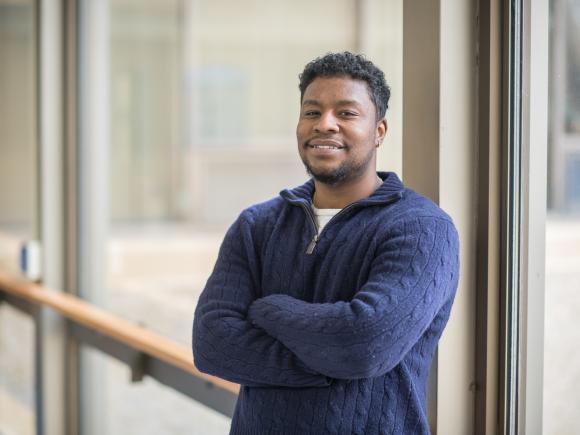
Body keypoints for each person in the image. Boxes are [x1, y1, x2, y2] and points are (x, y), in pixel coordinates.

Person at [192, 51, 460, 435]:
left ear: (379, 131)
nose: (325, 125)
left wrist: (268, 310)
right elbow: (212, 345)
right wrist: (332, 364)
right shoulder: (257, 225)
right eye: (312, 112)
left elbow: (364, 343)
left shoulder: (423, 229)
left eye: (347, 113)